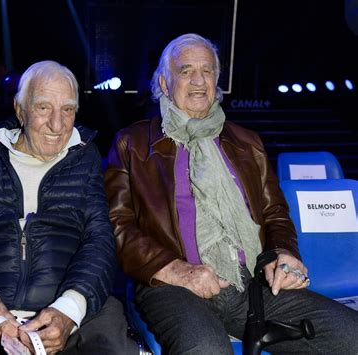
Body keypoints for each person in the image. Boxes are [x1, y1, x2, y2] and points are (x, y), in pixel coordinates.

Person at [104, 33, 358, 354]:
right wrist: (176, 270)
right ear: (165, 84)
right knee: (206, 350)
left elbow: (275, 214)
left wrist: (284, 254)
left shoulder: (247, 143)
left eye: (207, 71)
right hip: (172, 284)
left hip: (251, 284)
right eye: (185, 71)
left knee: (352, 335)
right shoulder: (133, 143)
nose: (199, 81)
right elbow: (116, 225)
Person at [0, 60, 138, 354]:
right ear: (19, 109)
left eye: (68, 110)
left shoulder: (85, 158)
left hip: (70, 309)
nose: (57, 125)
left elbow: (99, 240)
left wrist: (70, 308)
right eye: (43, 108)